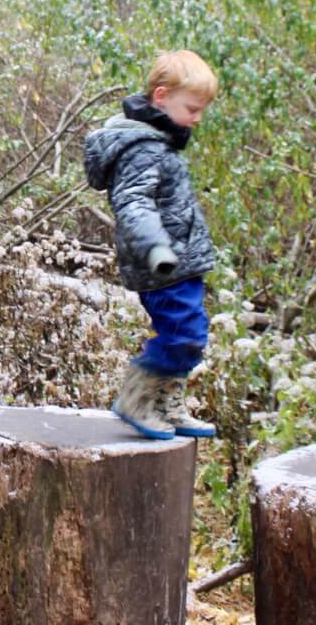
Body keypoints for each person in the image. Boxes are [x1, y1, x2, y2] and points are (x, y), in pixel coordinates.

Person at [83, 50, 219, 440]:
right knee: (185, 335)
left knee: (190, 336)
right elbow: (133, 203)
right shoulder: (141, 148)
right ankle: (137, 398)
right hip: (161, 266)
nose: (197, 118)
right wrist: (155, 248)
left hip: (180, 265)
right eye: (192, 108)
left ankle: (167, 404)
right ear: (161, 97)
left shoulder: (158, 144)